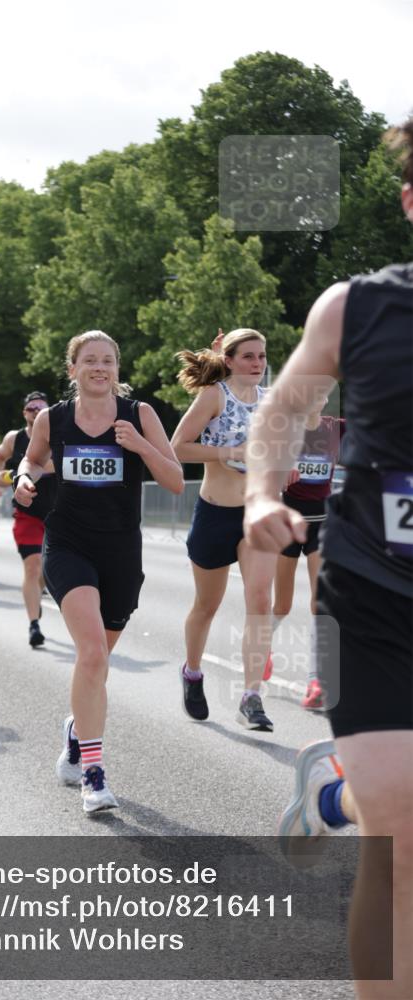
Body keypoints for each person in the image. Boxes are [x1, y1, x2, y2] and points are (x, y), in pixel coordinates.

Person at [244, 119, 413, 999]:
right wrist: (266, 493)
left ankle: (332, 797)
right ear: (411, 203)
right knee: (403, 828)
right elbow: (282, 409)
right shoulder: (355, 307)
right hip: (372, 593)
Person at [14, 331, 183, 813]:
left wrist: (141, 448)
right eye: (89, 360)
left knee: (99, 663)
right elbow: (32, 457)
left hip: (121, 553)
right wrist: (26, 477)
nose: (99, 367)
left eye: (107, 360)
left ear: (117, 368)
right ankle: (93, 774)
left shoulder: (140, 415)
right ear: (72, 369)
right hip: (68, 544)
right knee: (91, 656)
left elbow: (173, 481)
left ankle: (75, 730)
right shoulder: (53, 418)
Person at [171, 329, 276, 730]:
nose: (257, 363)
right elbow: (177, 446)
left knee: (259, 600)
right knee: (207, 606)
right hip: (215, 513)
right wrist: (226, 453)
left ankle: (251, 697)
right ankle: (193, 672)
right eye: (248, 356)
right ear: (229, 360)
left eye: (262, 356)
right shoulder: (214, 396)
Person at [270, 402, 345, 709]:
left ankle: (317, 681)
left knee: (321, 603)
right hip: (288, 525)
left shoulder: (336, 428)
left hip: (322, 525)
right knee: (282, 605)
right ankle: (261, 651)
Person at [0, 392, 57, 647]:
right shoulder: (14, 438)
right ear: (25, 413)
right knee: (32, 566)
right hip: (27, 512)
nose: (35, 411)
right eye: (31, 407)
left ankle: (36, 598)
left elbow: (54, 464)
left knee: (44, 568)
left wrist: (25, 470)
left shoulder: (59, 433)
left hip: (58, 512)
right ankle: (34, 625)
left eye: (41, 407)